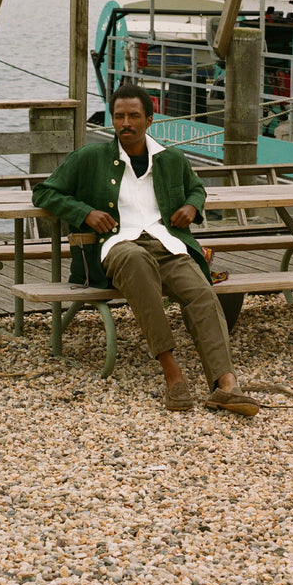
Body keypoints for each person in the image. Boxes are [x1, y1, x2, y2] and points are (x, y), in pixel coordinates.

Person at [34, 83, 258, 417]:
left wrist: (192, 207)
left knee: (201, 293)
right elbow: (44, 192)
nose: (126, 123)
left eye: (134, 116)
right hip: (117, 246)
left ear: (149, 120)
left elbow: (197, 189)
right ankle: (172, 372)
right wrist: (85, 213)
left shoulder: (171, 159)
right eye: (119, 116)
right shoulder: (89, 157)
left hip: (167, 243)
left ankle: (226, 384)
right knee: (136, 260)